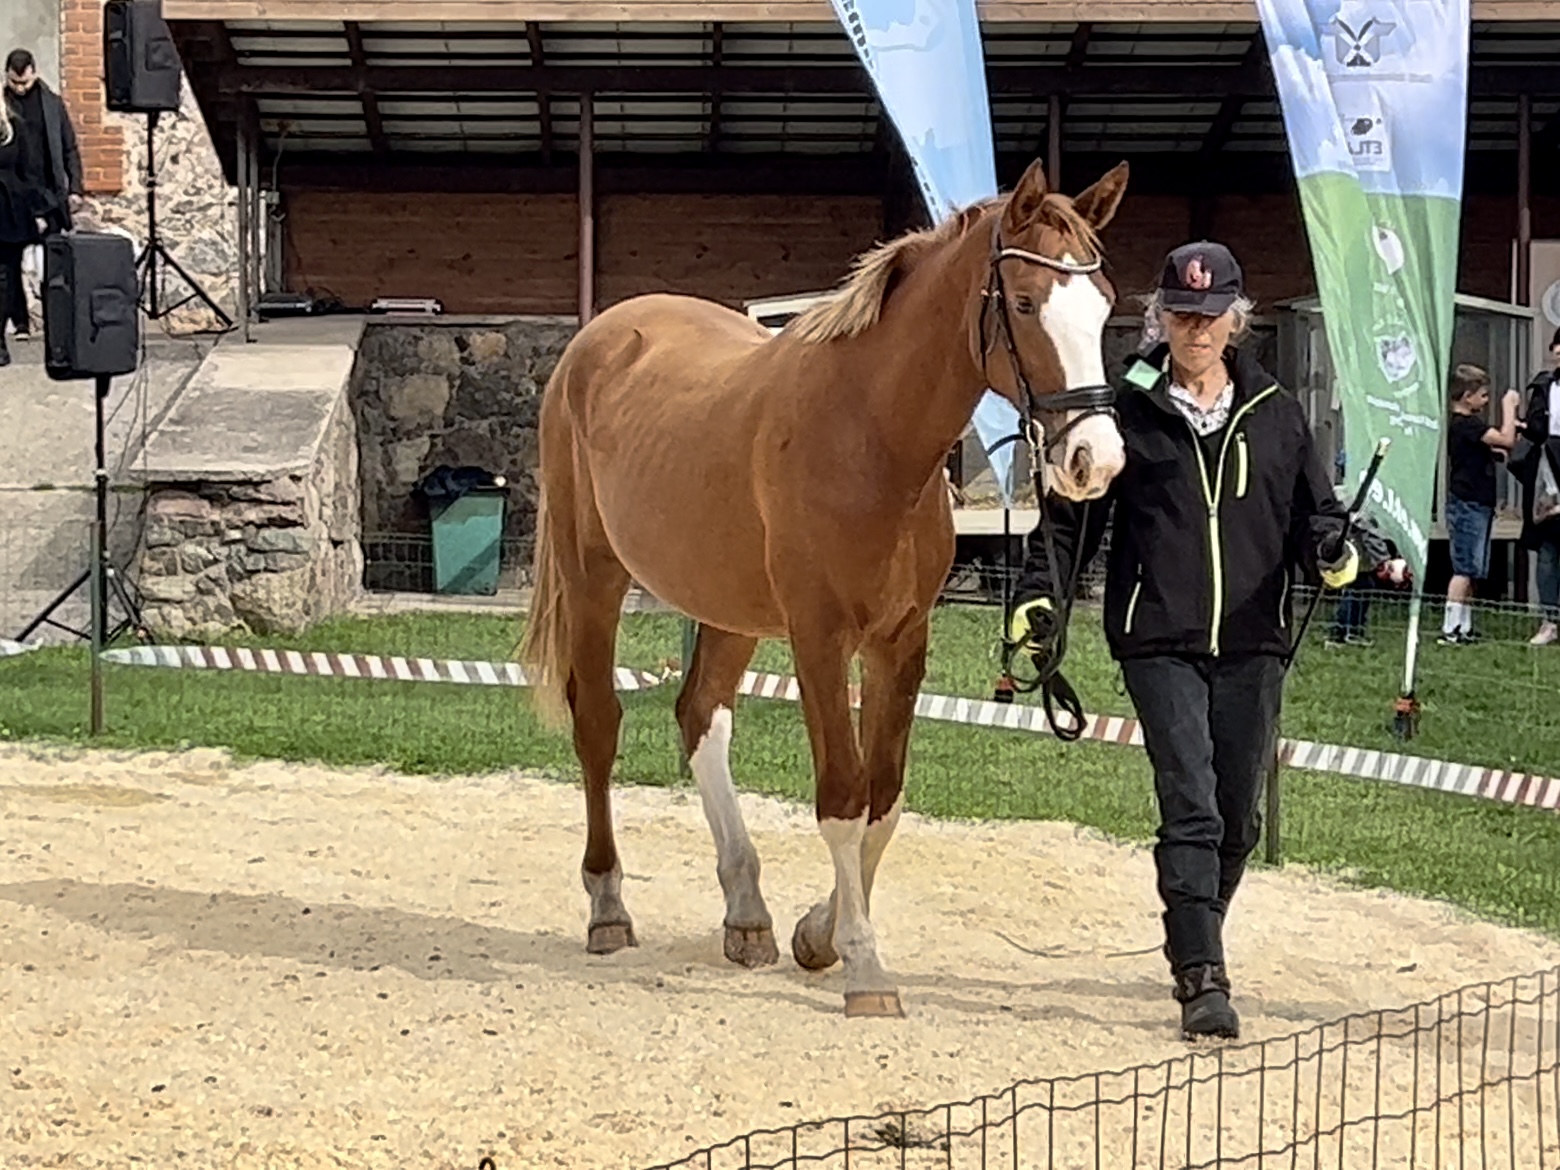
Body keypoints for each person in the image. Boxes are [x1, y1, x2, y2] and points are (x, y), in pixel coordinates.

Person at [1006, 241, 1383, 1042]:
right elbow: (1071, 522)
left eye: (1211, 315)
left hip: (1255, 639)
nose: (1195, 328)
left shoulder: (1276, 411)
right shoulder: (1126, 407)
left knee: (1237, 821)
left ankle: (1192, 932)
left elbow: (1314, 511)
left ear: (1236, 319)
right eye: (1181, 312)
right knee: (1192, 807)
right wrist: (1041, 600)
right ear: (1160, 317)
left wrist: (1334, 549)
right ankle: (1202, 978)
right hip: (1158, 636)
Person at [3, 48, 83, 338]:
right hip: (13, 196)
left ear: (34, 73)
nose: (20, 88)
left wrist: (75, 188)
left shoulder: (52, 104)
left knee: (54, 260)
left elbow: (69, 147)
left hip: (49, 194)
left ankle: (57, 320)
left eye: (24, 82)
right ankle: (20, 321)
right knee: (9, 265)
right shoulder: (2, 105)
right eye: (14, 82)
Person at [1439, 364, 1520, 645]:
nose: (1486, 401)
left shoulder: (1469, 428)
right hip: (1467, 504)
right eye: (1483, 396)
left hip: (1479, 504)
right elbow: (1506, 439)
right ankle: (1450, 628)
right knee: (1463, 568)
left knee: (1474, 569)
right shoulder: (1467, 424)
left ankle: (1464, 625)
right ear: (1467, 395)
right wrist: (1508, 407)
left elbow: (1495, 446)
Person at [1510, 328, 1560, 646]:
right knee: (1548, 549)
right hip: (1547, 473)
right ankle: (1550, 620)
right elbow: (1535, 428)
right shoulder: (1544, 386)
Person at [0, 88, 53, 365]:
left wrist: (37, 209)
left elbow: (28, 170)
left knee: (5, 274)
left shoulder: (14, 126)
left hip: (8, 207)